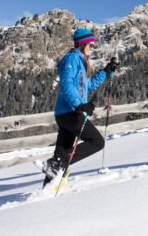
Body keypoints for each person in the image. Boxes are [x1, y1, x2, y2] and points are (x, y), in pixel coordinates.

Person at [41, 28, 119, 182]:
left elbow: (88, 86)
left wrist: (105, 71)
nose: (92, 48)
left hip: (67, 113)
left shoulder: (81, 62)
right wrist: (79, 105)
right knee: (97, 142)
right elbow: (67, 84)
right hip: (70, 112)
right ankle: (57, 163)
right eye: (90, 45)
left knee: (62, 151)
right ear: (82, 45)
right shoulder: (72, 59)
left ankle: (49, 183)